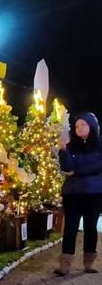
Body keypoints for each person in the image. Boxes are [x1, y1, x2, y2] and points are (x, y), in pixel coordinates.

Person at [55, 112, 102, 275]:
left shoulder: (99, 144)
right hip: (72, 193)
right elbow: (67, 167)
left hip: (94, 192)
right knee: (71, 227)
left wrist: (77, 171)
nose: (79, 128)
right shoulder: (70, 145)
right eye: (76, 126)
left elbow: (98, 166)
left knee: (90, 226)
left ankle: (89, 262)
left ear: (92, 127)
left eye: (83, 125)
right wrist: (62, 149)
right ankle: (65, 264)